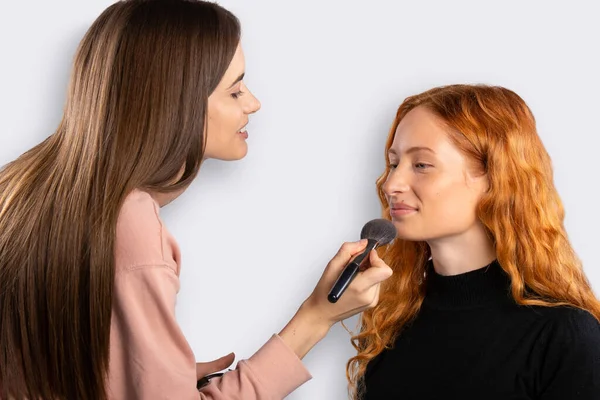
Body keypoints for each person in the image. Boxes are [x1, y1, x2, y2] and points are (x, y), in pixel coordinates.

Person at [0, 1, 393, 399]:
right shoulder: (130, 227)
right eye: (235, 90)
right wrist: (316, 318)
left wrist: (153, 372)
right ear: (176, 102)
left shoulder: (18, 186)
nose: (253, 103)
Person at [347, 84, 600, 399]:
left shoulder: (563, 334)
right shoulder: (392, 320)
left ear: (495, 177)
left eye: (421, 165)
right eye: (394, 163)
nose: (391, 183)